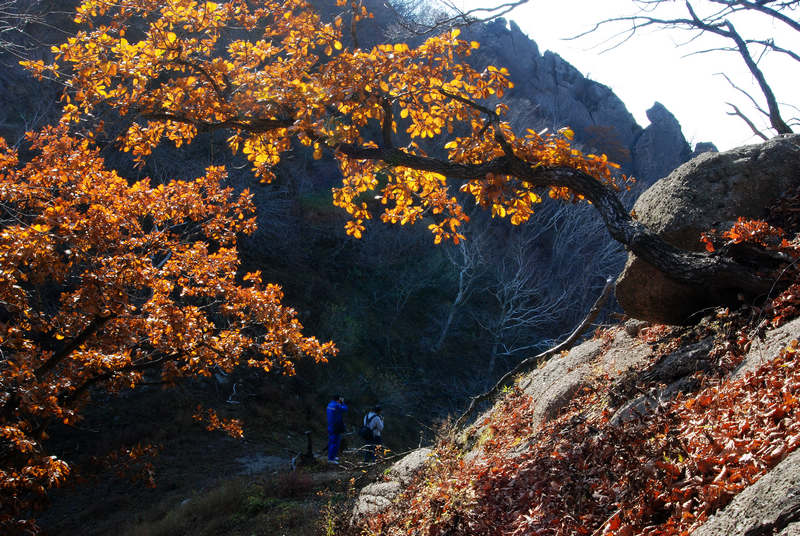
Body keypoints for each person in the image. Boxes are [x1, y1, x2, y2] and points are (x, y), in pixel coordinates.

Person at [326, 394, 347, 464]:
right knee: (335, 442)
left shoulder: (329, 404)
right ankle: (331, 459)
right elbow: (345, 409)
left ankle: (333, 456)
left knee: (332, 441)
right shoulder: (337, 405)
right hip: (336, 426)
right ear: (338, 399)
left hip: (330, 425)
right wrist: (342, 402)